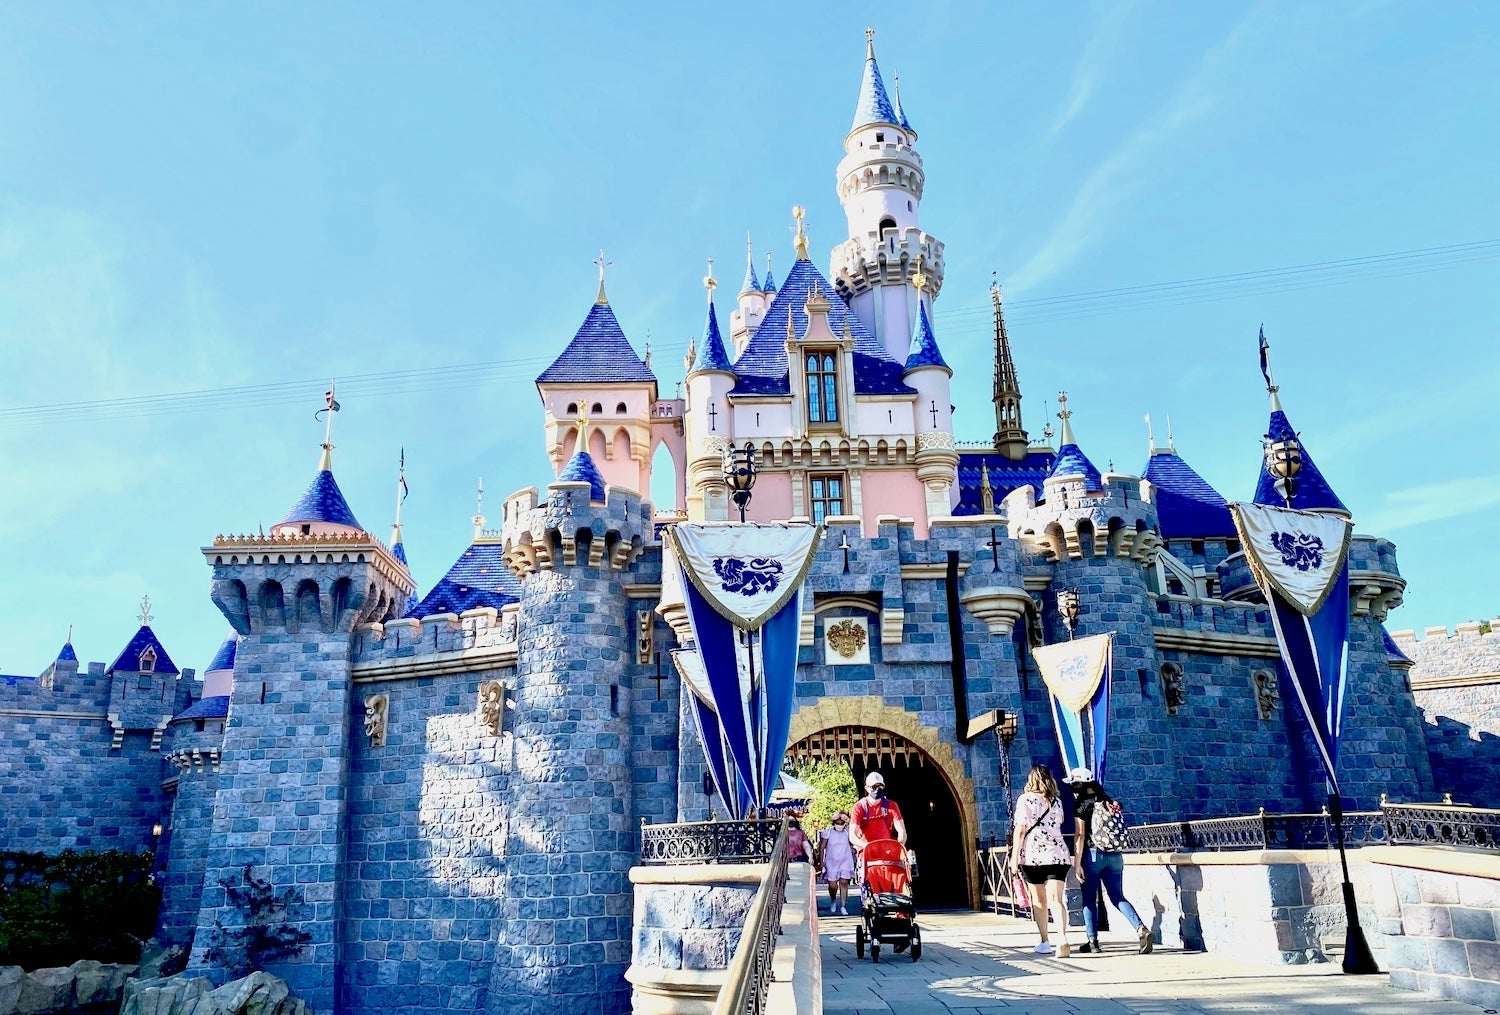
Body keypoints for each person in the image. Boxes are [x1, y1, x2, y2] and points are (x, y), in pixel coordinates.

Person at [1069, 768, 1153, 954]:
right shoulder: (1108, 800)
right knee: (1117, 896)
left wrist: (1077, 863)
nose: (1072, 787)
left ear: (1080, 784)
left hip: (1092, 855)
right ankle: (1141, 929)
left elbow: (1080, 834)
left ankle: (1092, 942)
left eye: (1074, 783)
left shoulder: (1081, 804)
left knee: (1089, 900)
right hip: (1115, 855)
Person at [1012, 764, 1073, 956]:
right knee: (1057, 899)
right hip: (1058, 854)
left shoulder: (1025, 799)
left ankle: (1045, 941)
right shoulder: (1056, 801)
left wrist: (1014, 857)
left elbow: (1021, 829)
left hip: (1034, 856)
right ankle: (1062, 938)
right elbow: (1060, 822)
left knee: (1039, 901)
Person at [849, 771, 907, 850]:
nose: (877, 789)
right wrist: (864, 845)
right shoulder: (859, 807)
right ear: (867, 788)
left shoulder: (891, 805)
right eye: (874, 787)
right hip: (867, 851)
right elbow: (852, 835)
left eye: (880, 786)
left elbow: (901, 829)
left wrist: (900, 842)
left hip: (887, 850)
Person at [816, 811, 857, 915]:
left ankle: (843, 906)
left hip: (845, 860)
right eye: (837, 823)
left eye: (841, 823)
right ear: (833, 823)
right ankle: (833, 899)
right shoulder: (828, 832)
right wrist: (821, 861)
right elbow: (822, 847)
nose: (839, 825)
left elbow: (853, 841)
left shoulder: (847, 832)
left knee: (844, 882)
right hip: (831, 861)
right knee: (833, 885)